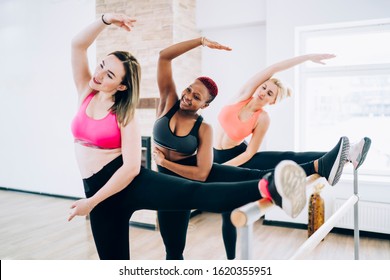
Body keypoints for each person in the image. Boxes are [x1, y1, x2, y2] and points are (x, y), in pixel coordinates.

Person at [67, 12, 313, 261]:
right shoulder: (85, 91)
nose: (99, 75)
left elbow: (131, 168)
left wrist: (92, 201)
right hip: (98, 193)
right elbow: (78, 45)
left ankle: (273, 186)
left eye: (109, 74)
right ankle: (278, 180)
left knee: (195, 192)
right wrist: (106, 19)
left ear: (122, 86)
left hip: (126, 183)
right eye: (101, 66)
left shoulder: (125, 114)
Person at [152, 37, 355, 260]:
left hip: (231, 158)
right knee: (178, 245)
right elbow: (164, 56)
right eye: (189, 90)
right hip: (201, 167)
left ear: (205, 105)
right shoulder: (239, 96)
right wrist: (201, 41)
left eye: (270, 93)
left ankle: (333, 160)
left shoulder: (232, 123)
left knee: (272, 163)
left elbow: (238, 157)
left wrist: (170, 163)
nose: (188, 96)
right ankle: (231, 259)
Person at [213, 52, 371, 171]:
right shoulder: (242, 95)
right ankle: (346, 155)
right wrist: (308, 57)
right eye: (264, 87)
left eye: (270, 93)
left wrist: (221, 168)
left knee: (285, 158)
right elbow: (274, 68)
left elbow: (249, 154)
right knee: (229, 208)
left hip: (238, 157)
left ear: (273, 101)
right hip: (213, 154)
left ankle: (348, 153)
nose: (263, 92)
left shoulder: (263, 118)